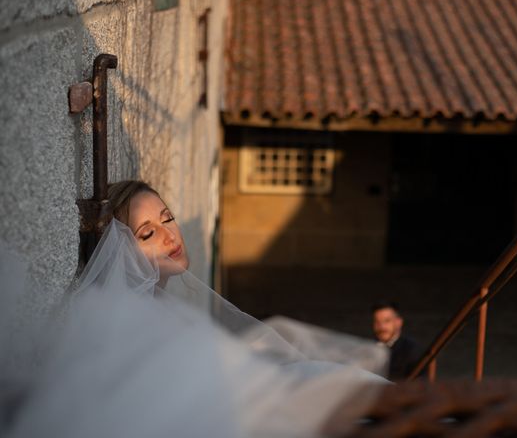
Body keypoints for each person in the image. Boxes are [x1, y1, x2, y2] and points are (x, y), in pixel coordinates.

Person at [0, 180, 389, 438]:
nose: (170, 235)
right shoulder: (129, 320)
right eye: (148, 233)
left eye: (167, 217)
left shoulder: (161, 305)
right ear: (119, 252)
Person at [372, 301, 424, 381]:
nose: (381, 327)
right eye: (377, 322)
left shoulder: (411, 349)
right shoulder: (369, 347)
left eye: (387, 321)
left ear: (398, 322)